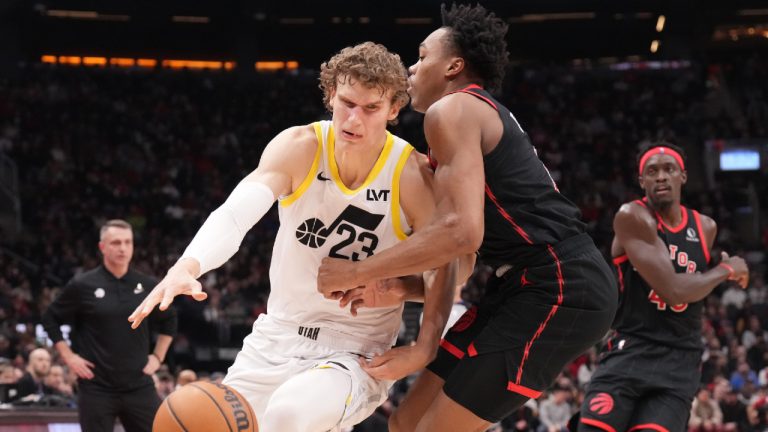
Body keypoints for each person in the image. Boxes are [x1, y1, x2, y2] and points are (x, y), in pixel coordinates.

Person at [128, 42, 468, 432]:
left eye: (371, 108)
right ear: (330, 96)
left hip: (354, 351)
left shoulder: (411, 173)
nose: (354, 119)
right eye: (346, 103)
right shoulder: (300, 147)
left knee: (288, 414)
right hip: (276, 337)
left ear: (393, 109)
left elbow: (455, 264)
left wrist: (412, 320)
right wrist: (188, 264)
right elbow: (237, 213)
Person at [317, 4, 618, 431]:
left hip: (561, 284)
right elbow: (463, 260)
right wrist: (399, 287)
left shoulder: (453, 109)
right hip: (517, 283)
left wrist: (357, 270)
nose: (411, 68)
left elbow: (461, 232)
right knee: (406, 422)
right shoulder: (464, 117)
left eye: (423, 57)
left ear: (454, 66)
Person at [577, 143, 749, 431]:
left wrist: (718, 273)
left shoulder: (706, 227)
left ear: (682, 176)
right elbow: (673, 290)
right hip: (632, 347)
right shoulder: (632, 216)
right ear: (642, 181)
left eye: (668, 169)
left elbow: (691, 287)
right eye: (652, 171)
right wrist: (726, 270)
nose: (660, 177)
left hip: (681, 357)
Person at [42, 219, 177, 432]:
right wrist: (69, 357)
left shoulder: (148, 285)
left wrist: (158, 357)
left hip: (139, 384)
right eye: (115, 243)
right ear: (102, 247)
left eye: (127, 242)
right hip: (97, 387)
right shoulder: (83, 285)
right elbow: (50, 319)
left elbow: (169, 320)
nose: (122, 248)